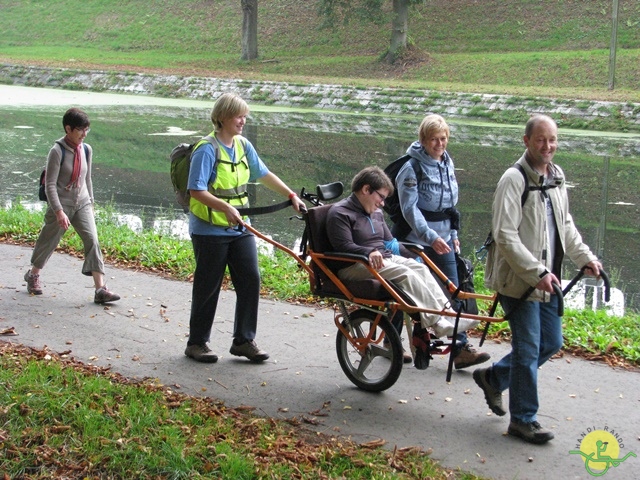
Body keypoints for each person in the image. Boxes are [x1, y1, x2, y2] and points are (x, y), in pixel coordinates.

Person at [475, 114, 603, 444]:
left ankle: (493, 378)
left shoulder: (556, 178)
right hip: (519, 282)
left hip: (548, 281)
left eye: (552, 140)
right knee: (529, 348)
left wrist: (585, 257)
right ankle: (523, 419)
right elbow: (504, 235)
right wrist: (537, 272)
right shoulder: (513, 180)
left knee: (551, 342)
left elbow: (566, 228)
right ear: (526, 141)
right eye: (541, 139)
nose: (548, 146)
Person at [184, 93, 305, 364]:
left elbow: (263, 174)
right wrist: (224, 207)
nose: (243, 121)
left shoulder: (242, 145)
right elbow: (196, 190)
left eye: (245, 116)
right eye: (239, 116)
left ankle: (243, 340)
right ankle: (197, 343)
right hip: (209, 230)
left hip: (240, 229)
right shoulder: (206, 149)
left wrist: (291, 195)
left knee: (250, 279)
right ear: (223, 117)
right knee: (208, 287)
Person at [326, 166, 479, 340]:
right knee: (406, 273)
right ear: (366, 189)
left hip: (381, 260)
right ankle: (437, 322)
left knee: (419, 268)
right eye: (381, 197)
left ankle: (449, 314)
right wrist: (370, 251)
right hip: (353, 265)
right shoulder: (339, 213)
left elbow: (391, 243)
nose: (382, 204)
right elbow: (343, 247)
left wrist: (413, 257)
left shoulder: (376, 213)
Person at [395, 114, 489, 370]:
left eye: (443, 138)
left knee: (454, 291)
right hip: (414, 240)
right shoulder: (411, 168)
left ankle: (459, 348)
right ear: (423, 140)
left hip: (444, 238)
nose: (439, 144)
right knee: (400, 294)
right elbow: (410, 210)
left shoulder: (447, 162)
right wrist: (431, 237)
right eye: (434, 139)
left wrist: (453, 236)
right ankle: (391, 343)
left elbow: (450, 207)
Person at [24, 108, 120, 305]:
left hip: (82, 202)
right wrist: (58, 211)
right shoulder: (57, 151)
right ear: (68, 129)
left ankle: (100, 289)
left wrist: (91, 202)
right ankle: (33, 274)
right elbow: (50, 184)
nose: (84, 134)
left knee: (92, 239)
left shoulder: (86, 149)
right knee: (49, 240)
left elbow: (87, 178)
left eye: (87, 130)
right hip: (61, 203)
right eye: (80, 130)